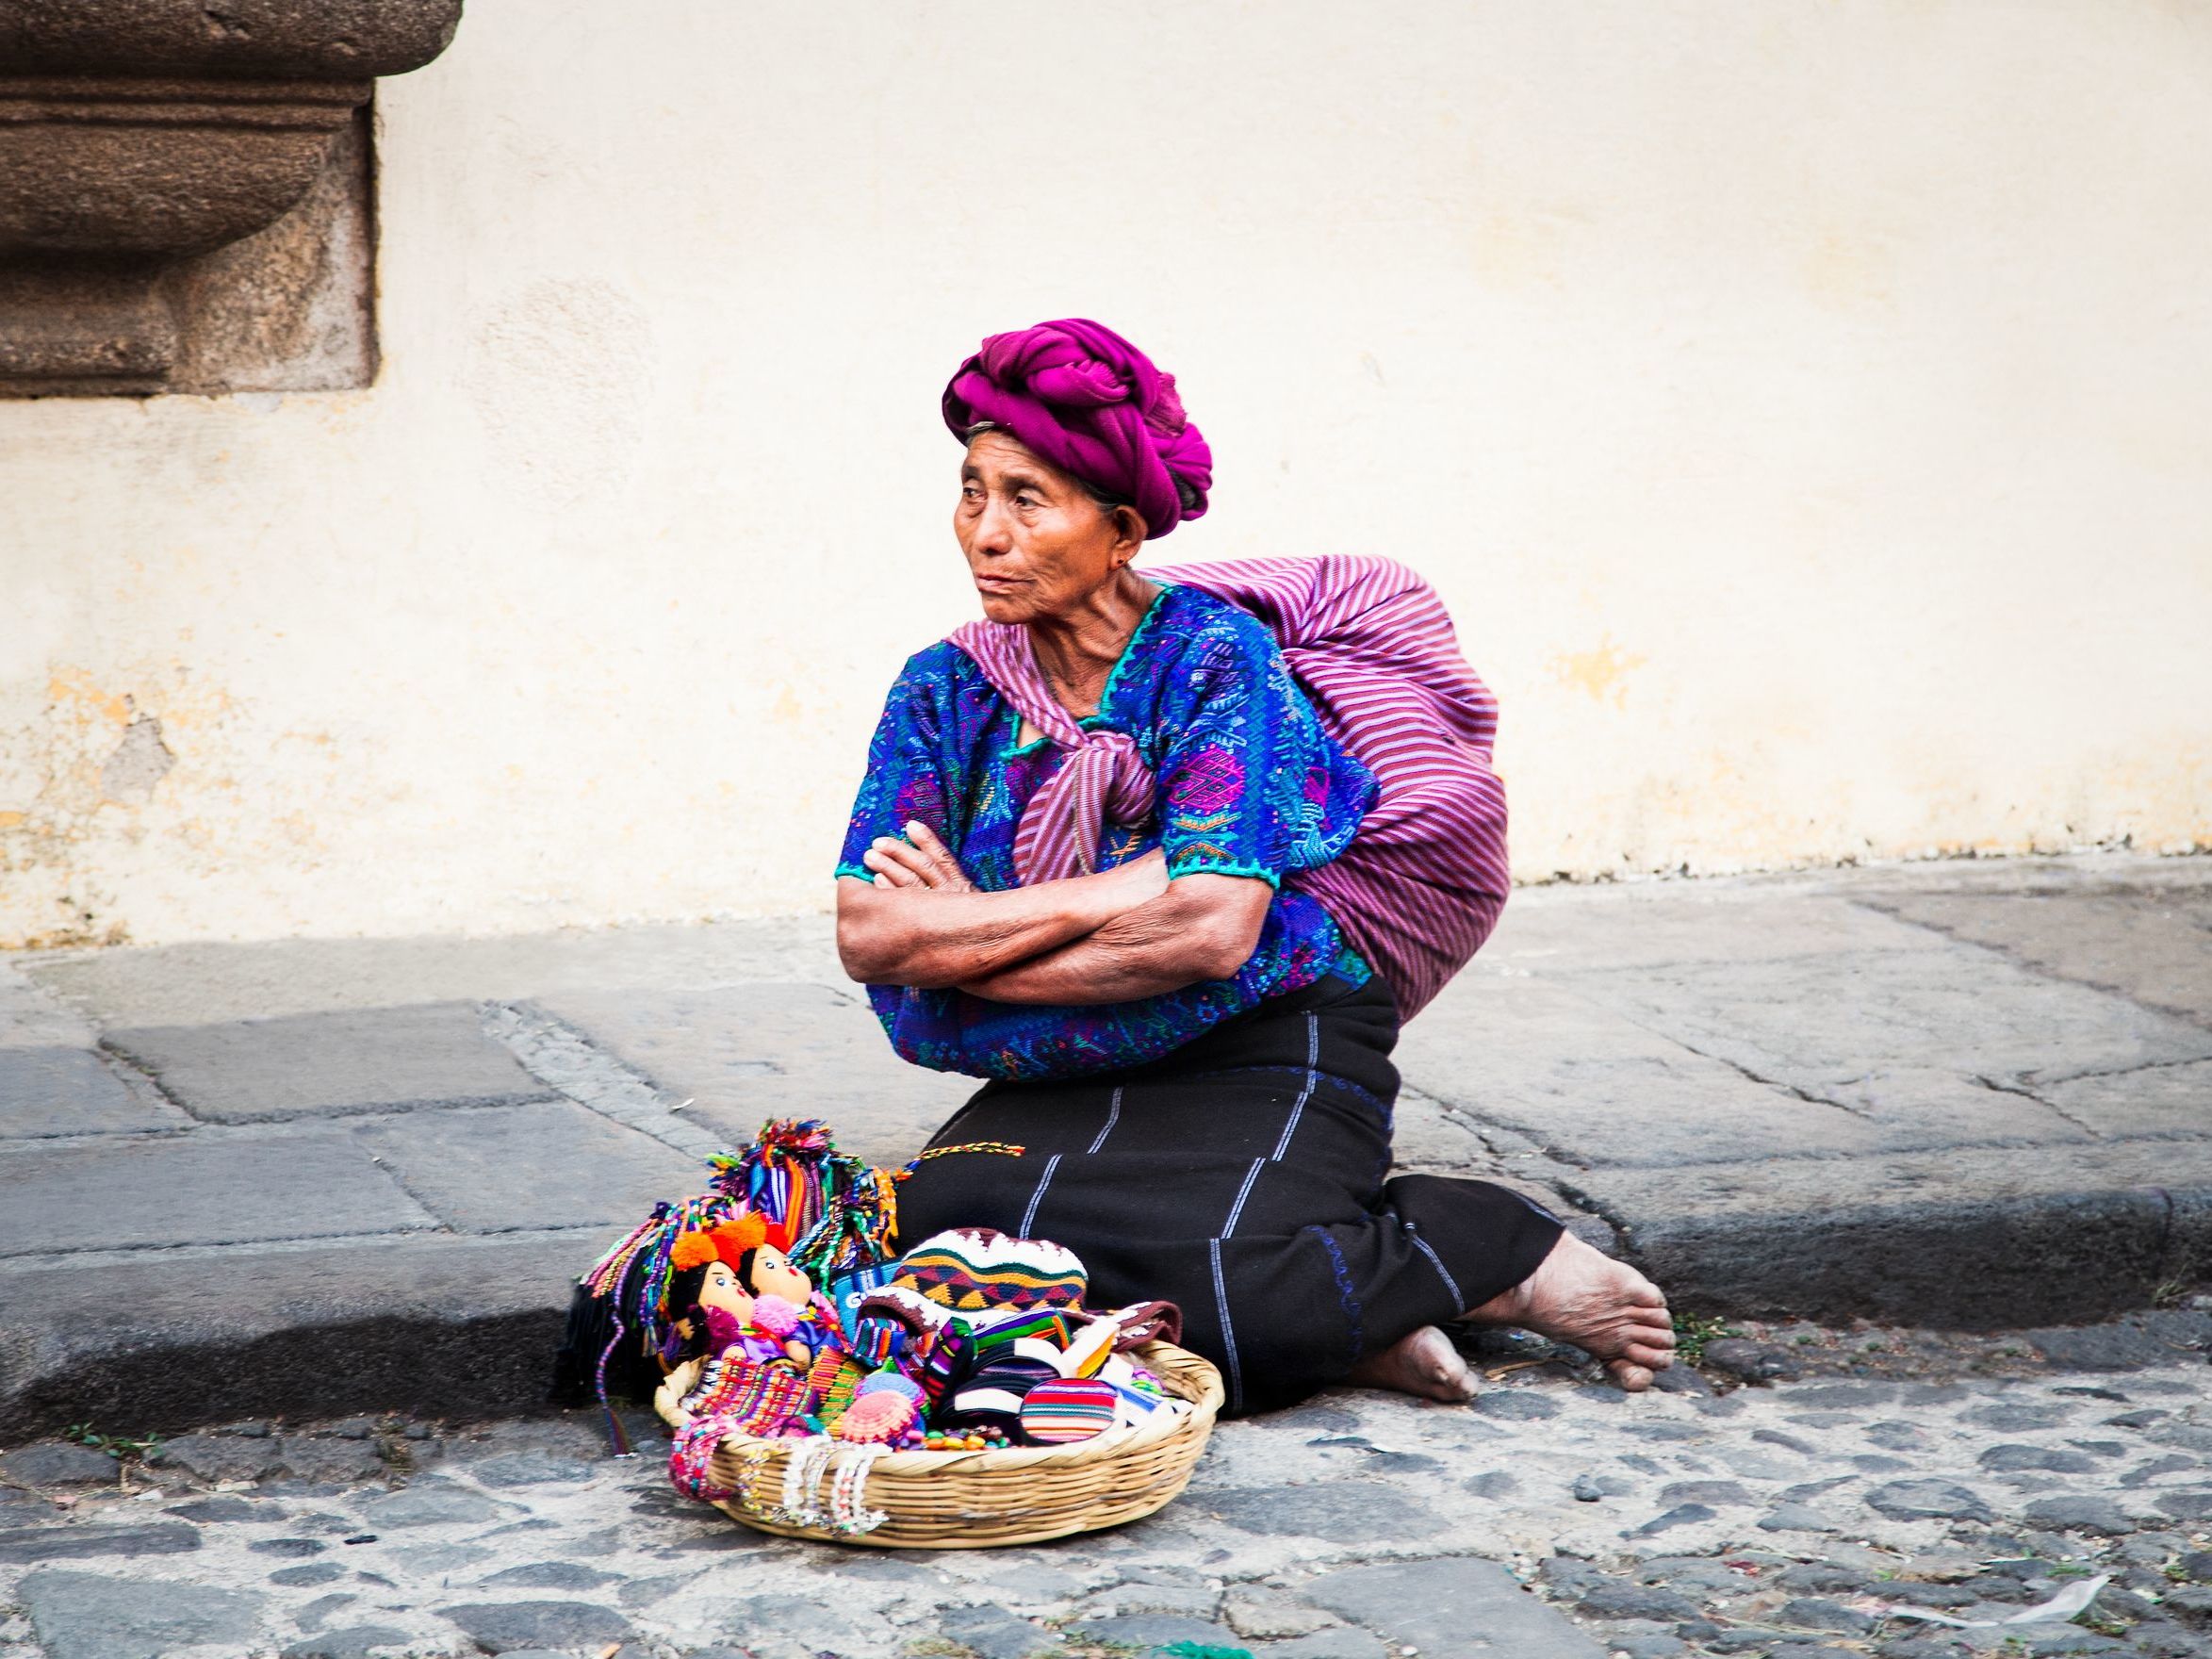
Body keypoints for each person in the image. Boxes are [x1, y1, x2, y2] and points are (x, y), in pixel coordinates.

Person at [834, 319, 1673, 1414]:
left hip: (1268, 1011)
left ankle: (1496, 1248)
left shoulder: (1215, 658)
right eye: (971, 490)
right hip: (1068, 1039)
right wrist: (1128, 881)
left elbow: (1213, 930)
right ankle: (1356, 1329)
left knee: (1241, 1277)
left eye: (1027, 498)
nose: (984, 532)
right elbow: (868, 934)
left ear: (1121, 527)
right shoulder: (943, 686)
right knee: (928, 1261)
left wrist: (968, 944)